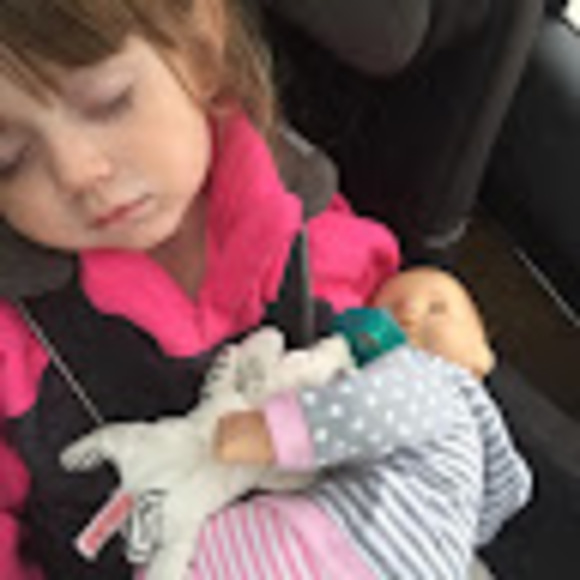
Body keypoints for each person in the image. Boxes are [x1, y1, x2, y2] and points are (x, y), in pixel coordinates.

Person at [0, 1, 529, 579]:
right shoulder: (16, 348)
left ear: (200, 49)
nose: (78, 171)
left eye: (109, 102)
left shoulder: (315, 237)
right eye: (9, 160)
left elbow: (402, 377)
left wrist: (431, 315)